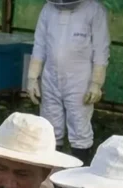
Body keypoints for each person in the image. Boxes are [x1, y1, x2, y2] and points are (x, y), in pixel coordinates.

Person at [27, 0, 110, 163]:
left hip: (80, 80)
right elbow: (39, 45)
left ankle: (77, 180)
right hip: (50, 78)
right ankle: (48, 178)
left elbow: (101, 49)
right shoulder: (48, 9)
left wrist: (96, 83)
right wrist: (32, 77)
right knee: (49, 130)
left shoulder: (94, 10)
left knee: (79, 129)